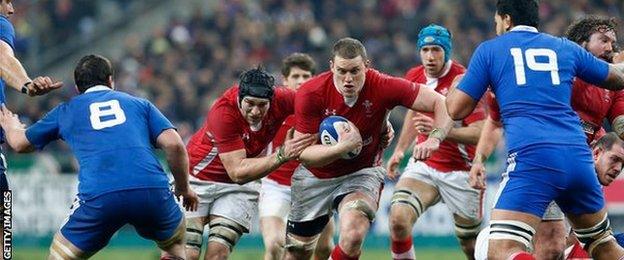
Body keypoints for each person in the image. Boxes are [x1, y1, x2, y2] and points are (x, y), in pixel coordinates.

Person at [446, 0, 624, 259]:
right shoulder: (564, 47)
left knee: (500, 250)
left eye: (497, 20)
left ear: (506, 19)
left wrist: (456, 84)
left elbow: (456, 110)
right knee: (602, 245)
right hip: (579, 159)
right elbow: (616, 77)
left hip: (533, 158)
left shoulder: (490, 51)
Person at [0, 54, 198, 259]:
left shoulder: (66, 110)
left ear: (77, 88)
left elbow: (19, 144)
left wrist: (10, 125)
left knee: (59, 256)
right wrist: (184, 188)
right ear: (111, 80)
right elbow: (174, 145)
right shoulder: (140, 104)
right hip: (151, 189)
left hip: (101, 196)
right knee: (174, 246)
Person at [282, 37, 454, 260]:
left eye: (355, 71)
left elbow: (441, 103)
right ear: (331, 66)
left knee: (353, 235)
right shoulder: (311, 93)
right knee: (297, 253)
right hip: (315, 176)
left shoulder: (383, 86)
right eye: (342, 71)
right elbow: (304, 154)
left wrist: (435, 138)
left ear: (367, 65)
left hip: (361, 173)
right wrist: (342, 147)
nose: (348, 79)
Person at [183, 67, 316, 260]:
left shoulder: (282, 99)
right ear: (239, 97)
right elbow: (236, 171)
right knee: (188, 253)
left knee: (217, 254)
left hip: (239, 188)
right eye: (250, 104)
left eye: (262, 105)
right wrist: (281, 155)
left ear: (272, 100)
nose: (255, 111)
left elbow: (315, 103)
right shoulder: (223, 113)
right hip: (197, 180)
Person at [386, 24, 485, 260]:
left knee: (471, 246)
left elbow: (480, 133)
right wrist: (400, 151)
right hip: (425, 166)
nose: (430, 56)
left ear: (447, 51)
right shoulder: (415, 75)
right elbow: (413, 113)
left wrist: (439, 133)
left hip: (461, 172)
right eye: (426, 49)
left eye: (437, 50)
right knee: (398, 219)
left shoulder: (465, 82)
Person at [472, 132, 624, 260]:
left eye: (622, 164)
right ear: (596, 153)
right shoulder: (561, 173)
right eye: (614, 159)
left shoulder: (590, 189)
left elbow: (575, 243)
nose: (618, 168)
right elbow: (554, 246)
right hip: (496, 247)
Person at [259, 53, 335, 260]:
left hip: (315, 186)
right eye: (296, 76)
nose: (301, 81)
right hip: (276, 187)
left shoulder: (323, 109)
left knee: (325, 248)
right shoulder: (271, 108)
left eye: (306, 76)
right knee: (275, 245)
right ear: (285, 79)